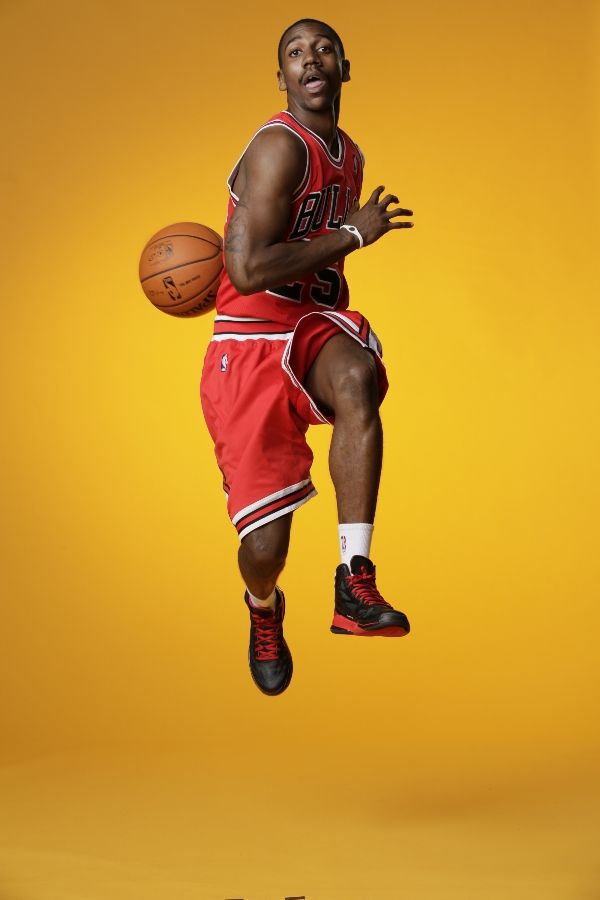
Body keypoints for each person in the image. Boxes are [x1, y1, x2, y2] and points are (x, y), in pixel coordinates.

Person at [200, 18, 413, 696]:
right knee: (265, 551)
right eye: (295, 52)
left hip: (309, 326)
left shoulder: (350, 155)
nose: (310, 59)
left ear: (344, 68)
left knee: (357, 376)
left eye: (323, 49)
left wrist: (348, 236)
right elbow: (247, 270)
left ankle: (355, 579)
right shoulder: (277, 148)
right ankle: (263, 606)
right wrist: (352, 233)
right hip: (248, 342)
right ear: (283, 77)